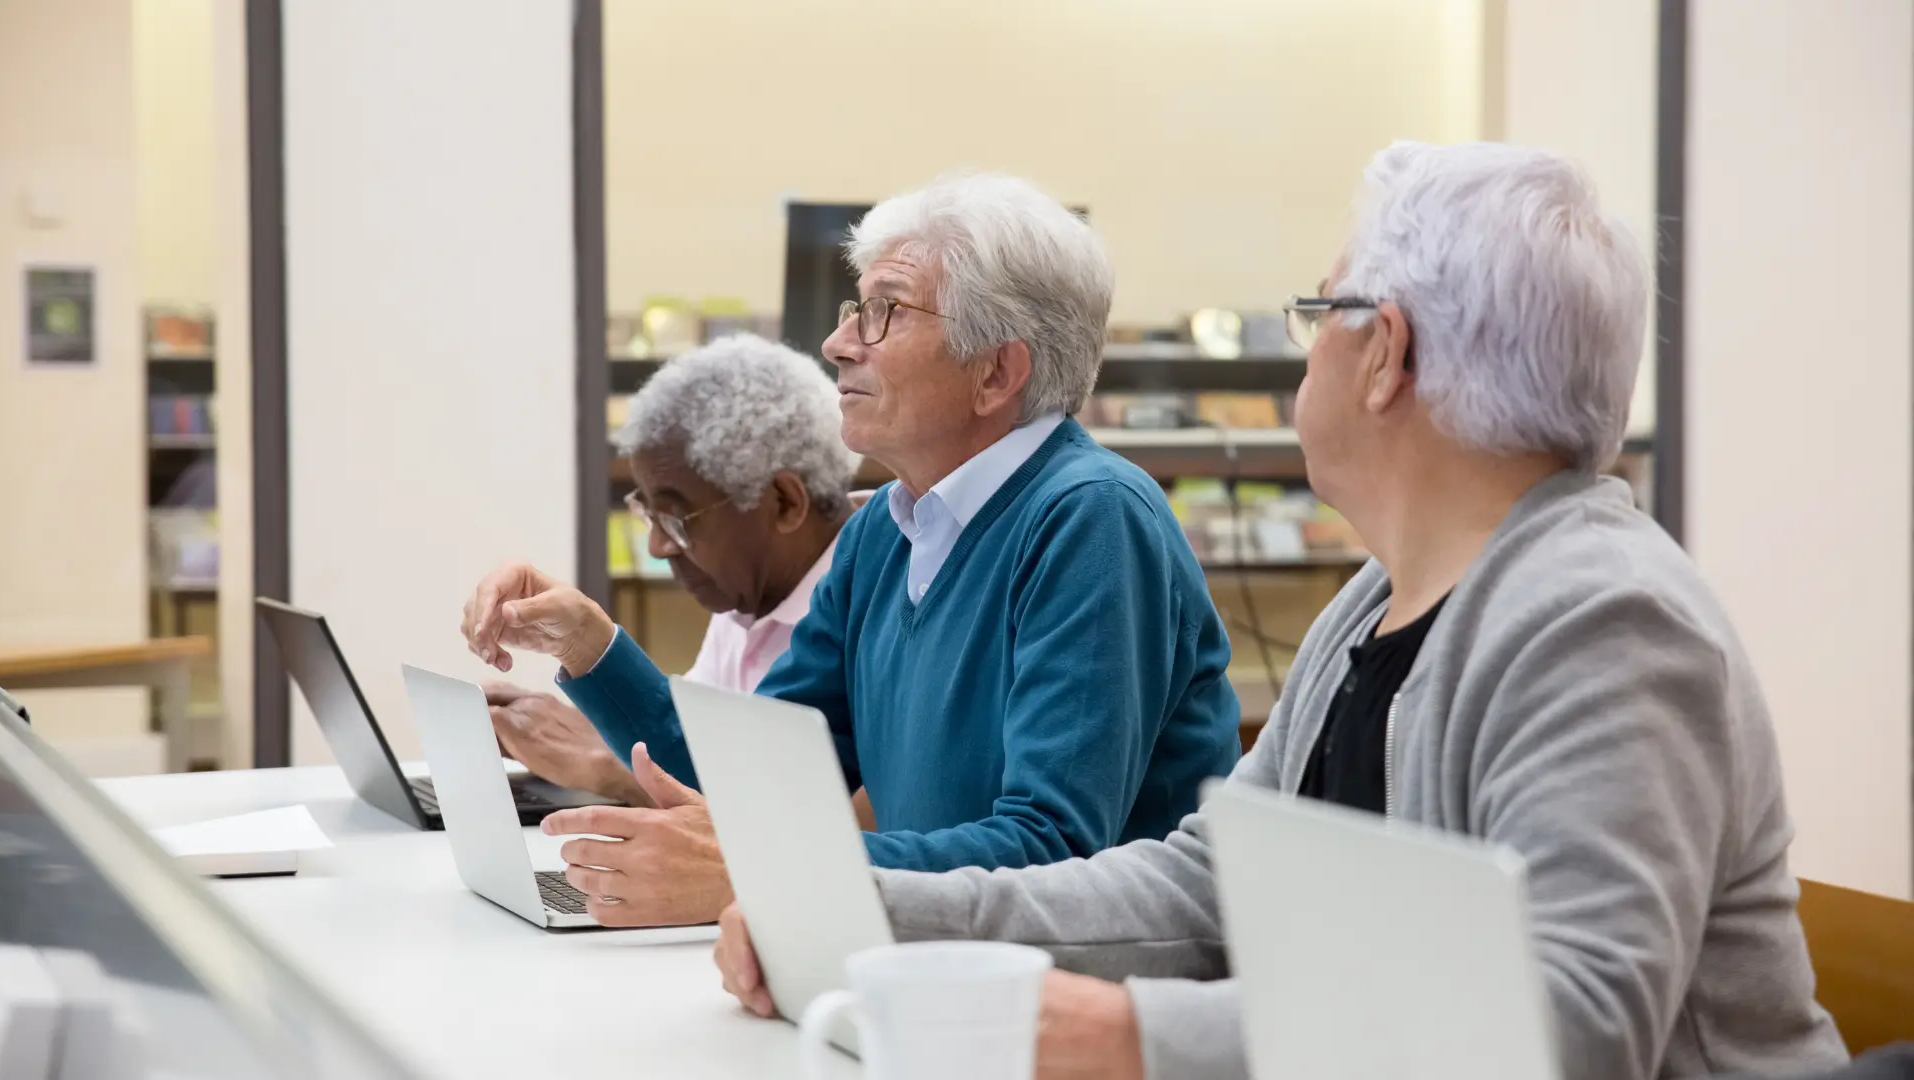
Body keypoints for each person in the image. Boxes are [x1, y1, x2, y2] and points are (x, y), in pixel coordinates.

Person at [713, 143, 1850, 1080]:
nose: (1308, 350)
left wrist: (1130, 1037)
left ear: (1385, 355)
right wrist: (878, 916)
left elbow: (1571, 1028)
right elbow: (1201, 881)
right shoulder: (1376, 601)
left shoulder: (1607, 624)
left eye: (1322, 313)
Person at [461, 173, 1242, 929]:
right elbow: (754, 778)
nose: (836, 343)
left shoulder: (1091, 519)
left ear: (997, 371)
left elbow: (1053, 853)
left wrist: (765, 869)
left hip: (1077, 1011)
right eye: (852, 309)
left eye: (884, 312)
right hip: (926, 972)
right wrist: (591, 646)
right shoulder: (885, 532)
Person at [479, 333, 875, 827]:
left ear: (785, 503)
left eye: (678, 519)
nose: (657, 548)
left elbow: (783, 817)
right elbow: (698, 756)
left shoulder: (879, 595)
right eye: (648, 514)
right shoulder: (750, 597)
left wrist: (606, 764)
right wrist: (597, 725)